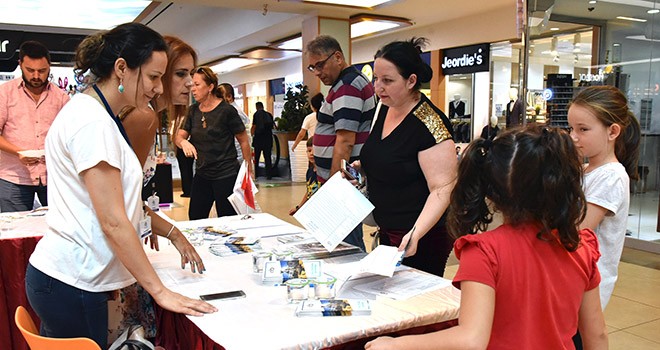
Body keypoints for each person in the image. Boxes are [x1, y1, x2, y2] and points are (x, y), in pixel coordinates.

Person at [25, 23, 217, 348]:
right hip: (76, 281)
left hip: (72, 278)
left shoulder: (95, 115)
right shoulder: (92, 123)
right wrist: (159, 291)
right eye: (154, 77)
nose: (158, 88)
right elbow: (114, 221)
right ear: (121, 69)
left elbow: (121, 205)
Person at [365, 125, 608, 350]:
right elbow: (596, 336)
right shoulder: (581, 244)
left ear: (490, 189)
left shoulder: (484, 251)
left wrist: (396, 344)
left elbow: (471, 339)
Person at [116, 34, 201, 340]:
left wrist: (149, 222)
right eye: (181, 74)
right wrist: (173, 233)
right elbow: (121, 202)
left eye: (191, 74)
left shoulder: (151, 117)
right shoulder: (143, 118)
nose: (190, 82)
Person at [356, 38, 456, 277]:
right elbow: (390, 156)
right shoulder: (384, 108)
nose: (378, 87)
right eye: (376, 79)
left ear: (411, 81)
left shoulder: (430, 123)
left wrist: (416, 233)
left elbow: (443, 187)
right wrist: (362, 168)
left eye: (388, 81)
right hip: (387, 228)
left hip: (422, 235)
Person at [568, 86, 640, 307]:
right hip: (572, 280)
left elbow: (578, 230)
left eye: (583, 129)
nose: (573, 137)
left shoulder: (612, 177)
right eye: (571, 128)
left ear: (613, 132)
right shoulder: (586, 169)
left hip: (586, 287)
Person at [306, 35, 375, 251]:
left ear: (337, 57)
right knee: (345, 242)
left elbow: (345, 141)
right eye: (312, 67)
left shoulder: (347, 86)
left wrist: (334, 188)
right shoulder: (343, 84)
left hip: (344, 181)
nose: (317, 72)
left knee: (346, 246)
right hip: (344, 180)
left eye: (319, 65)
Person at [0, 41, 69, 212]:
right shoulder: (5, 93)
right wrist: (19, 153)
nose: (36, 76)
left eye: (42, 71)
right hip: (13, 176)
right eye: (30, 70)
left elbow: (70, 137)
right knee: (15, 232)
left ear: (49, 67)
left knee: (57, 229)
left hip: (53, 176)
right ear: (20, 65)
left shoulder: (61, 98)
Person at [175, 66, 252, 220]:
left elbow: (243, 140)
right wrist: (184, 142)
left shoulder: (226, 111)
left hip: (226, 173)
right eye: (192, 85)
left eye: (197, 85)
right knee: (195, 217)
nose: (193, 89)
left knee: (228, 219)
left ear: (210, 87)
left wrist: (247, 170)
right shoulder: (193, 111)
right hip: (202, 173)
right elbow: (179, 136)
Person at [219, 83, 251, 164]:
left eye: (220, 97)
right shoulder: (233, 110)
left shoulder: (233, 112)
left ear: (229, 97)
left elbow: (240, 139)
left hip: (237, 156)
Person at [289, 137, 320, 215]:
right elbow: (309, 192)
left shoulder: (323, 173)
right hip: (312, 211)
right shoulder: (309, 171)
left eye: (314, 150)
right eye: (309, 151)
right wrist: (299, 207)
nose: (311, 154)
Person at [251, 101, 274, 179]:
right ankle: (269, 175)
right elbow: (273, 126)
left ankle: (256, 174)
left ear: (257, 107)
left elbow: (254, 126)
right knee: (267, 158)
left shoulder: (256, 114)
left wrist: (251, 135)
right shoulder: (269, 115)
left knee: (256, 158)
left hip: (258, 139)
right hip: (268, 139)